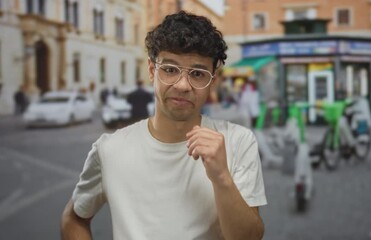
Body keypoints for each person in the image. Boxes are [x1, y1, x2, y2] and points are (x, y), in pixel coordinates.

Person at [60, 11, 266, 240]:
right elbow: (74, 218)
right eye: (169, 69)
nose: (182, 85)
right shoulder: (110, 149)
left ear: (211, 82)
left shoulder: (238, 141)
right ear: (151, 70)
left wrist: (221, 178)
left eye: (197, 74)